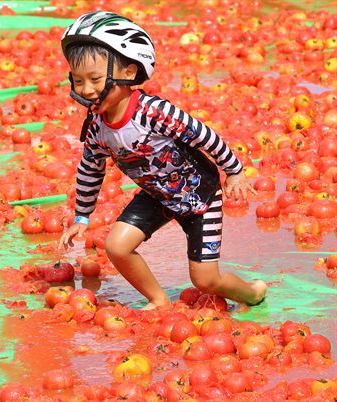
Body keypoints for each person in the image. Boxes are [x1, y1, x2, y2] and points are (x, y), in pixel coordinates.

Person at [57, 11, 267, 310]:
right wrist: (81, 216)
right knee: (117, 246)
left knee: (205, 281)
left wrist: (233, 170)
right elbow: (90, 168)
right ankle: (158, 300)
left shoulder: (155, 112)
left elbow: (203, 135)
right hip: (157, 196)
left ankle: (253, 293)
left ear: (129, 72)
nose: (86, 89)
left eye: (94, 79)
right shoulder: (96, 126)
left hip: (201, 198)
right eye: (78, 80)